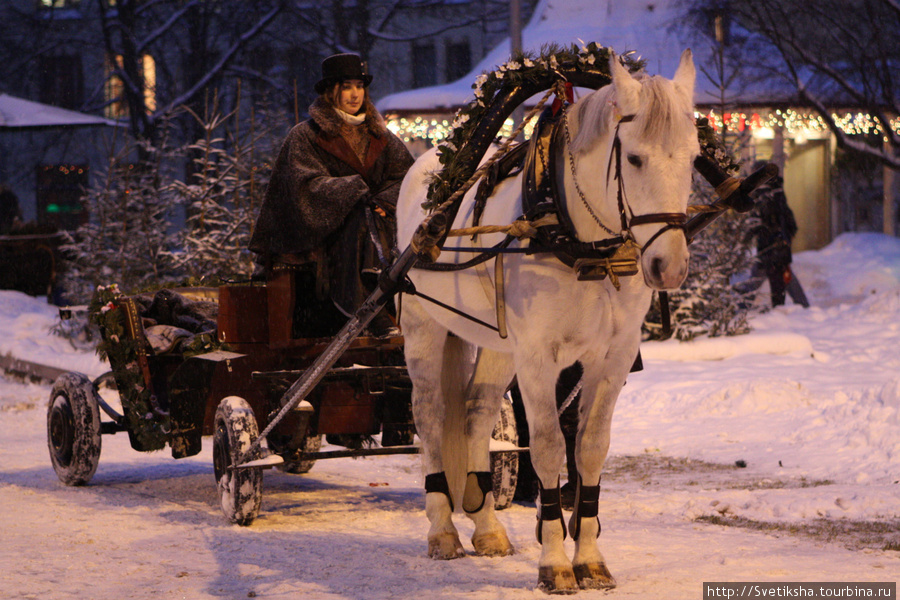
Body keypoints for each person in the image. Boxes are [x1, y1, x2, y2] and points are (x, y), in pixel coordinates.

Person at [249, 53, 414, 338]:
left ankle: (403, 300)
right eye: (347, 86)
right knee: (360, 219)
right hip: (323, 234)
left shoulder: (381, 136)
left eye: (359, 86)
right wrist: (355, 191)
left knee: (383, 220)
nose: (355, 94)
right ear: (330, 91)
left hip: (379, 224)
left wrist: (382, 201)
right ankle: (366, 307)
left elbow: (407, 177)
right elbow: (305, 186)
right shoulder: (306, 136)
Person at [747, 164, 809, 308]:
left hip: (771, 249)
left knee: (763, 280)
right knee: (783, 279)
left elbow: (766, 222)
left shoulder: (765, 195)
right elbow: (789, 222)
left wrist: (768, 237)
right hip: (777, 248)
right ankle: (803, 307)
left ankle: (739, 310)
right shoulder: (776, 192)